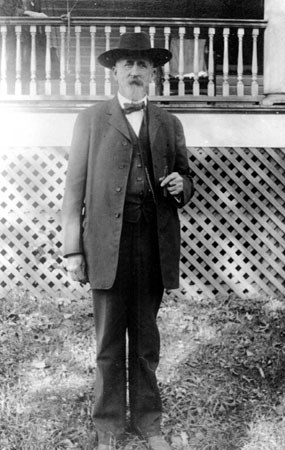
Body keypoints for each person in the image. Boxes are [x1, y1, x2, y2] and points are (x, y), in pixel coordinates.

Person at [62, 31, 194, 450]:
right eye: (127, 65)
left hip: (151, 245)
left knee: (145, 340)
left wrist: (181, 185)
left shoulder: (169, 123)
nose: (135, 72)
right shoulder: (91, 119)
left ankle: (149, 423)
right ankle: (108, 427)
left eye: (143, 66)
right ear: (115, 73)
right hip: (105, 244)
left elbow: (187, 178)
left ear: (153, 74)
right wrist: (72, 249)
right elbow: (74, 189)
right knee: (107, 344)